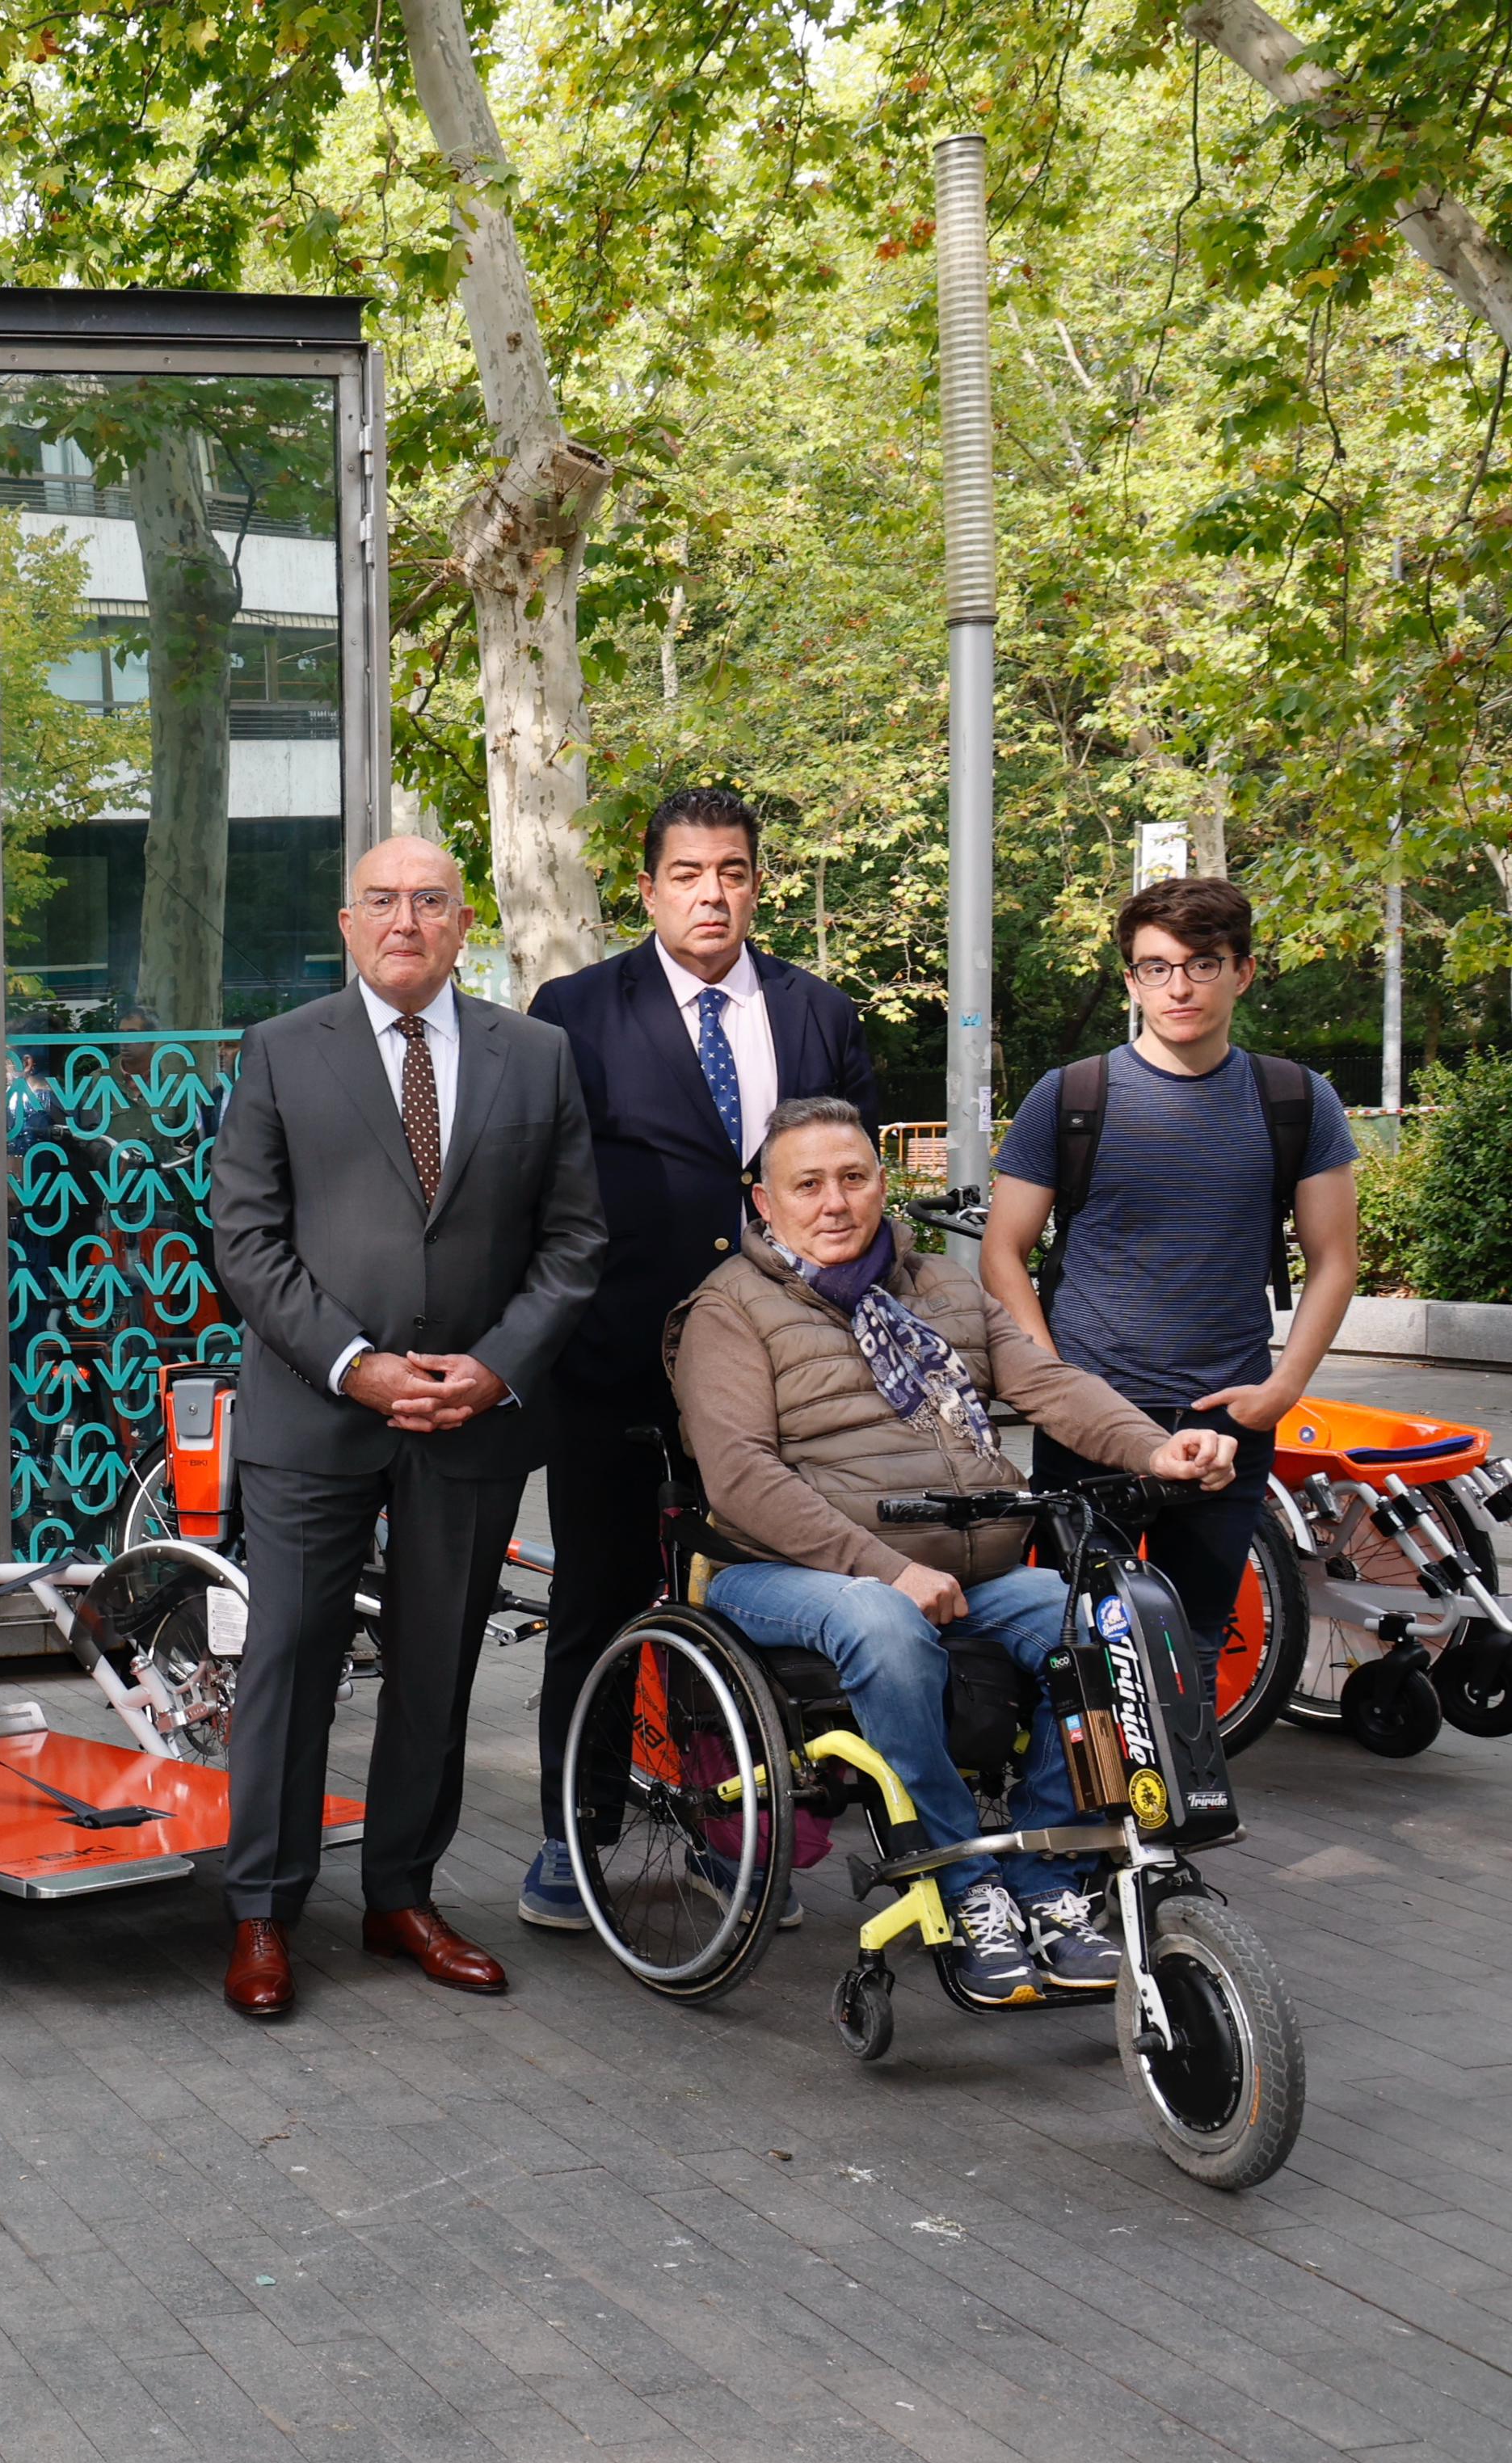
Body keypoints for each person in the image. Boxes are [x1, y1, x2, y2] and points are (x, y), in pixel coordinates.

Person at [674, 1099, 1240, 2000]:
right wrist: (887, 1569)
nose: (834, 1202)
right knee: (882, 1623)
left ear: (883, 1184)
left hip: (970, 1569)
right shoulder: (728, 1308)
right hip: (782, 1574)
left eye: (852, 1178)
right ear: (763, 1203)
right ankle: (959, 1877)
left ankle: (1046, 1879)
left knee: (1104, 1617)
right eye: (807, 1185)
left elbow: (1048, 1384)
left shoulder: (942, 1286)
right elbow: (739, 1477)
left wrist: (1154, 1447)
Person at [204, 834, 606, 2020]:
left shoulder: (537, 1055)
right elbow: (245, 1240)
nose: (404, 921)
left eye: (429, 901)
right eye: (380, 901)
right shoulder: (281, 1050)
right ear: (347, 923)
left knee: (437, 1666)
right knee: (289, 1662)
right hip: (313, 1412)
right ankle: (262, 1910)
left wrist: (495, 1368)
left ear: (463, 922)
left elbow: (573, 1240)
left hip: (470, 1418)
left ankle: (401, 1897)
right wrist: (356, 1366)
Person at [518, 786, 879, 1932]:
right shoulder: (574, 1012)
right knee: (599, 1600)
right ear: (648, 889)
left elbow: (855, 1189)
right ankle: (576, 1832)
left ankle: (738, 1840)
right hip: (614, 1365)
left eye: (731, 871)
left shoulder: (818, 1012)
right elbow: (540, 1190)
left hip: (784, 1370)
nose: (710, 893)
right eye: (686, 873)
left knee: (758, 1604)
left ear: (756, 884)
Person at [983, 876, 1356, 1654]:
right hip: (1090, 1413)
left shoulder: (1296, 1098)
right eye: (1156, 967)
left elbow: (1334, 1259)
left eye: (1201, 963)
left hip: (1228, 1416)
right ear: (1132, 981)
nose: (1178, 987)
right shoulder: (1071, 1096)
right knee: (1079, 1644)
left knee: (1194, 1644)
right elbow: (1003, 1252)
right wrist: (1055, 1385)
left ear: (1242, 971)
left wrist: (1281, 1392)